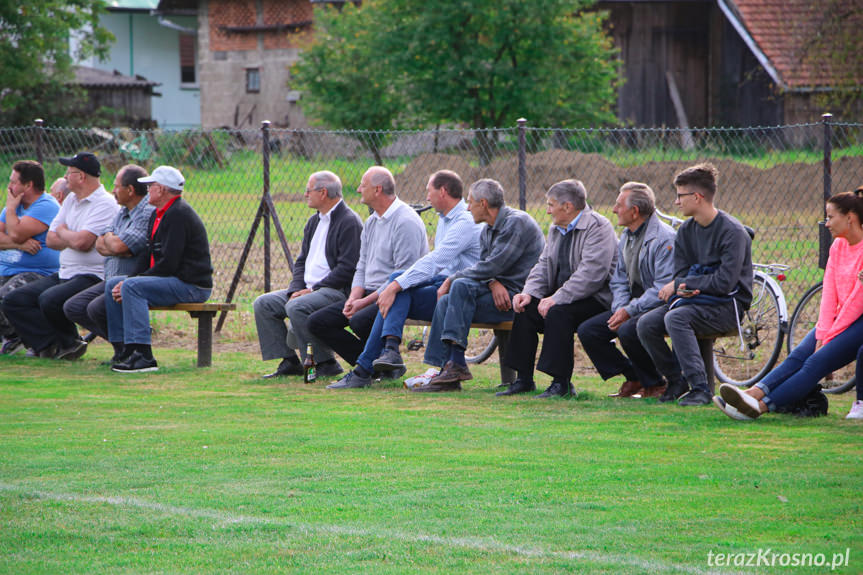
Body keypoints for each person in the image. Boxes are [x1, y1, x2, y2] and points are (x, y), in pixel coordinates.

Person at [327, 169, 481, 389]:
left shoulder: (464, 222)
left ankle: (373, 363)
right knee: (398, 281)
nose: (426, 197)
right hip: (442, 286)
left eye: (429, 191)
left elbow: (436, 261)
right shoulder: (445, 219)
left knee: (398, 286)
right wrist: (394, 284)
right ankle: (385, 354)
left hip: (459, 294)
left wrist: (394, 286)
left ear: (443, 191)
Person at [719, 190, 863, 420]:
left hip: (858, 321)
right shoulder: (837, 247)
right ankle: (751, 394)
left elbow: (857, 302)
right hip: (838, 319)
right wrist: (823, 331)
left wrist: (828, 337)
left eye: (830, 217)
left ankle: (761, 407)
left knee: (815, 362)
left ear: (850, 218)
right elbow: (829, 293)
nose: (826, 224)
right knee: (797, 356)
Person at [406, 178, 544, 393]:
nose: (468, 208)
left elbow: (494, 264)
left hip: (518, 299)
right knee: (446, 300)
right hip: (497, 291)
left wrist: (452, 279)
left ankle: (455, 366)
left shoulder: (516, 223)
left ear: (483, 203)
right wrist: (492, 282)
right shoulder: (488, 228)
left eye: (470, 202)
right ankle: (447, 369)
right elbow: (486, 268)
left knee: (458, 285)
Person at [637, 163, 753, 406]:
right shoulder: (686, 231)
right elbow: (680, 273)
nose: (676, 202)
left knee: (676, 318)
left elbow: (724, 283)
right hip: (693, 300)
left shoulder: (733, 231)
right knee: (646, 324)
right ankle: (677, 381)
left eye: (680, 196)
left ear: (697, 197)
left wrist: (687, 282)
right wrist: (687, 283)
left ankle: (700, 389)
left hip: (727, 306)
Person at [306, 167, 428, 379]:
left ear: (378, 190)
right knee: (318, 322)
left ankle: (375, 366)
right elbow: (361, 265)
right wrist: (353, 297)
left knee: (359, 320)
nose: (358, 189)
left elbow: (402, 276)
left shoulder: (405, 221)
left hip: (398, 293)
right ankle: (376, 366)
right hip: (369, 293)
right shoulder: (372, 222)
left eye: (363, 185)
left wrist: (364, 302)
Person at [501, 179, 617, 398]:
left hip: (597, 299)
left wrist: (557, 298)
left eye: (551, 205)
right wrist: (529, 293)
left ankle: (561, 383)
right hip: (563, 297)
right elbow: (544, 264)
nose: (547, 211)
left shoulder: (599, 227)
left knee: (558, 312)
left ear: (567, 206)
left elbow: (592, 274)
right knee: (525, 309)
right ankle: (523, 379)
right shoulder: (557, 228)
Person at [2, 152, 118, 359]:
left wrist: (64, 233)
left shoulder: (104, 203)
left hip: (92, 274)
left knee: (49, 299)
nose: (64, 177)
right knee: (15, 300)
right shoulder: (72, 200)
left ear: (81, 176)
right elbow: (52, 240)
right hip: (66, 272)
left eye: (69, 172)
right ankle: (50, 345)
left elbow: (82, 243)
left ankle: (69, 343)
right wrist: (69, 236)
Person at [254, 171, 362, 379]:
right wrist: (296, 289)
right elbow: (301, 261)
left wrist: (313, 290)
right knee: (264, 303)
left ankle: (325, 362)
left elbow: (347, 268)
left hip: (336, 291)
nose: (305, 195)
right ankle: (289, 361)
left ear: (323, 192)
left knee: (297, 306)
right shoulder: (314, 222)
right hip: (309, 289)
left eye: (308, 190)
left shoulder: (349, 222)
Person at [104, 165, 213, 373]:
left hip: (192, 285)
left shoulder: (178, 214)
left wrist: (132, 282)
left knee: (132, 287)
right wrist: (128, 279)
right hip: (172, 279)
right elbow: (147, 254)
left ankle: (143, 356)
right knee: (113, 284)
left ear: (161, 189)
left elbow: (169, 264)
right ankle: (124, 350)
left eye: (151, 185)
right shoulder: (159, 214)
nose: (147, 190)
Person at [576, 182, 676, 399]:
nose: (613, 209)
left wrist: (629, 310)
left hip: (661, 305)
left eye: (619, 205)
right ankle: (634, 377)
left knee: (627, 329)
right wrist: (620, 308)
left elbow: (662, 288)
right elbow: (619, 281)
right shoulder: (626, 237)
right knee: (589, 331)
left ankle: (656, 383)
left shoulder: (664, 239)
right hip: (634, 306)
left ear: (635, 211)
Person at [62, 165, 154, 363]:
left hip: (131, 280)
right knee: (73, 306)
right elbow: (100, 242)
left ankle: (130, 351)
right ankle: (123, 350)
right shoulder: (122, 211)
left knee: (95, 308)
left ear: (130, 190)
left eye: (116, 186)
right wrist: (114, 242)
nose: (113, 190)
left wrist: (114, 242)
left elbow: (121, 246)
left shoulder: (146, 212)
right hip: (111, 279)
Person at [0, 161, 61, 354]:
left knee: (5, 297)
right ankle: (13, 335)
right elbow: (16, 237)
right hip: (8, 269)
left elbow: (16, 232)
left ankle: (26, 336)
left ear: (29, 185)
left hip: (38, 273)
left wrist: (10, 210)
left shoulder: (45, 206)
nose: (9, 187)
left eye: (14, 182)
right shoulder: (16, 205)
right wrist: (19, 244)